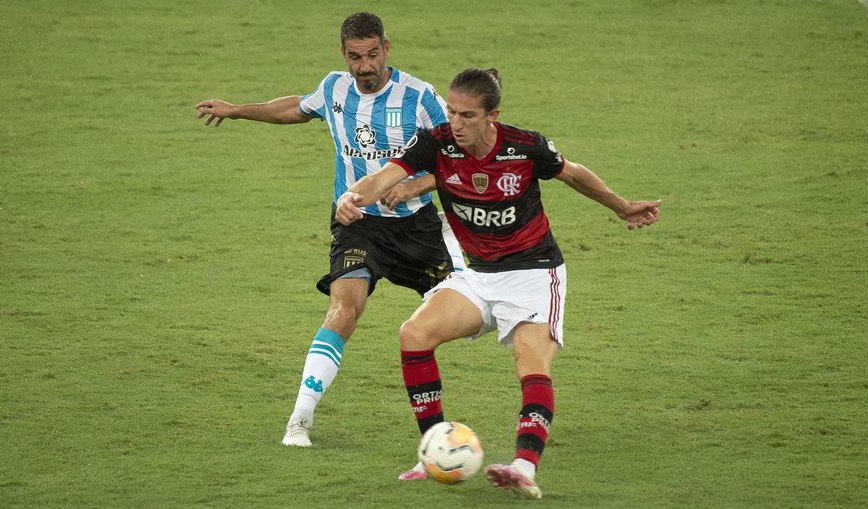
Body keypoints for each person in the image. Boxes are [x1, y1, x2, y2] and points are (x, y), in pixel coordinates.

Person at [335, 67, 661, 499]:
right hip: (481, 275)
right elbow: (383, 178)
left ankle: (524, 466)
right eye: (452, 112)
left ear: (493, 115)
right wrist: (352, 196)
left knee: (530, 361)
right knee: (414, 334)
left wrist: (621, 206)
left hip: (533, 274)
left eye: (468, 115)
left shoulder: (525, 146)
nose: (456, 123)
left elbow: (573, 172)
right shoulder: (436, 143)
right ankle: (435, 449)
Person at [195, 12, 465, 448]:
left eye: (373, 55)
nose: (365, 67)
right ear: (344, 54)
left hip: (419, 229)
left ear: (387, 49)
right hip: (356, 222)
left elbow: (460, 154)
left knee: (475, 315)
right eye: (356, 57)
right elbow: (298, 108)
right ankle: (299, 420)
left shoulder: (420, 96)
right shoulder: (334, 87)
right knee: (344, 311)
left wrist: (416, 183)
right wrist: (238, 110)